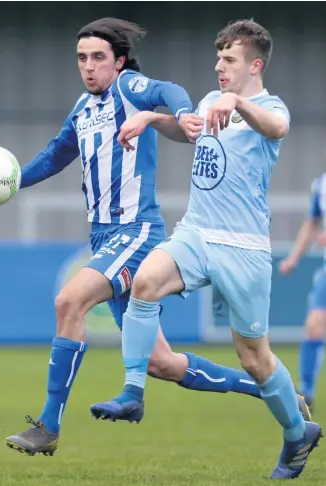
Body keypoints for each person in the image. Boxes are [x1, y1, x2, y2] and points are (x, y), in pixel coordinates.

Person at [0, 17, 310, 458]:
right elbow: (54, 156)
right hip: (106, 236)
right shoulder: (84, 111)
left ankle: (47, 426)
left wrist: (178, 112)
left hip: (136, 232)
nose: (88, 67)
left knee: (69, 301)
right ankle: (276, 395)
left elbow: (167, 91)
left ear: (119, 61)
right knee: (162, 363)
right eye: (81, 58)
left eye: (98, 58)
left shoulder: (130, 88)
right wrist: (4, 186)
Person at [90, 19, 322, 480]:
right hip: (196, 231)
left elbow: (276, 129)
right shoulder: (213, 100)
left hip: (244, 248)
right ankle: (133, 393)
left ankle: (297, 433)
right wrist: (154, 119)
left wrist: (237, 103)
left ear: (254, 66)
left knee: (254, 358)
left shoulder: (270, 106)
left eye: (229, 60)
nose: (219, 67)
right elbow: (190, 131)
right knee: (145, 282)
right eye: (218, 58)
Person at [279, 172, 326, 413]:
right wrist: (293, 259)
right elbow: (312, 223)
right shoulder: (320, 185)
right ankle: (307, 393)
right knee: (314, 324)